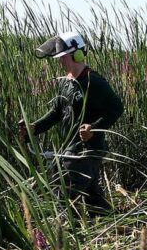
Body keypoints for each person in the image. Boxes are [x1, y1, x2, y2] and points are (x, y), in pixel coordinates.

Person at [18, 30, 124, 217]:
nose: (60, 61)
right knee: (93, 199)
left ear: (77, 54)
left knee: (64, 193)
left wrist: (94, 128)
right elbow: (56, 113)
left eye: (63, 57)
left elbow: (116, 108)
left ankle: (67, 236)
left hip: (87, 150)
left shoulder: (94, 82)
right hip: (71, 148)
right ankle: (113, 226)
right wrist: (34, 127)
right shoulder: (66, 83)